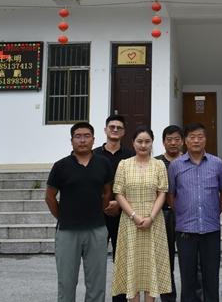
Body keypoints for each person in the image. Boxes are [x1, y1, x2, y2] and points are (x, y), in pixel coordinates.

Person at [45, 122, 114, 302]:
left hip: (97, 229)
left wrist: (97, 211)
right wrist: (63, 217)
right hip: (68, 231)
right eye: (78, 136)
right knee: (66, 282)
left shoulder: (103, 163)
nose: (82, 140)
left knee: (97, 282)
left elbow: (107, 192)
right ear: (71, 141)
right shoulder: (61, 166)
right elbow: (50, 197)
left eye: (86, 136)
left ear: (93, 140)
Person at [167, 123, 222, 302]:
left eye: (200, 137)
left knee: (211, 276)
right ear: (185, 141)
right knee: (188, 277)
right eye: (192, 137)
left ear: (205, 140)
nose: (196, 140)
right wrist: (181, 212)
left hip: (211, 229)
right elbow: (170, 195)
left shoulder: (217, 164)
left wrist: (215, 212)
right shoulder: (175, 166)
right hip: (185, 229)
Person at [111, 126, 172, 302]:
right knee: (133, 265)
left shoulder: (159, 165)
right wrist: (134, 216)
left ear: (152, 143)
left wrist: (151, 217)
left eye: (147, 141)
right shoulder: (124, 164)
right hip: (130, 221)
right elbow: (118, 193)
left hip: (154, 221)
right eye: (139, 141)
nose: (143, 145)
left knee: (151, 265)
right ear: (133, 143)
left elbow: (162, 193)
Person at [93, 115, 135, 302]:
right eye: (112, 127)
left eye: (119, 128)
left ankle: (120, 299)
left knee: (122, 261)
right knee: (95, 261)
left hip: (123, 214)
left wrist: (119, 203)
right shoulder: (94, 155)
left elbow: (133, 184)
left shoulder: (131, 155)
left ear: (123, 132)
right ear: (105, 130)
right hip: (98, 215)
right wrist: (104, 204)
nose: (115, 130)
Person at [155, 125, 184, 302]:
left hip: (185, 215)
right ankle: (168, 298)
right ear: (163, 142)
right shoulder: (156, 163)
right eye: (169, 139)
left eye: (176, 139)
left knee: (189, 259)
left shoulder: (189, 160)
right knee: (165, 260)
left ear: (182, 141)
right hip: (162, 215)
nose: (173, 143)